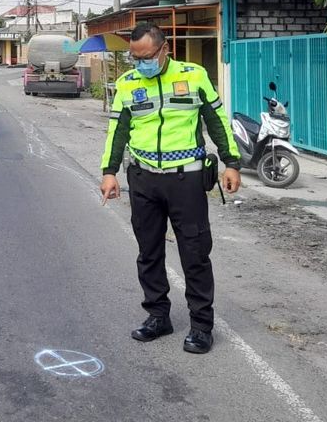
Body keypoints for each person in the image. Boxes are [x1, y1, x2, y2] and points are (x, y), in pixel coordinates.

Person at [98, 22, 240, 355]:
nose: (140, 63)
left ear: (164, 50)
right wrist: (109, 172)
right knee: (148, 252)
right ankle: (158, 316)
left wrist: (232, 162)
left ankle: (202, 326)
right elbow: (117, 130)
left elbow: (217, 120)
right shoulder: (127, 84)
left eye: (146, 56)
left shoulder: (193, 76)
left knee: (194, 253)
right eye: (135, 57)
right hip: (144, 179)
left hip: (185, 180)